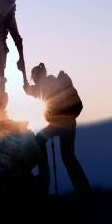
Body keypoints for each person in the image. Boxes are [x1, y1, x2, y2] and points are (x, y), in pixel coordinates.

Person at [24, 63, 92, 201]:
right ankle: (84, 191)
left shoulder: (43, 85)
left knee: (40, 139)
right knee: (68, 156)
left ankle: (44, 179)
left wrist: (24, 79)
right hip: (70, 121)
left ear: (37, 77)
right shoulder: (55, 82)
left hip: (59, 123)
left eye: (34, 78)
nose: (35, 81)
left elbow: (29, 90)